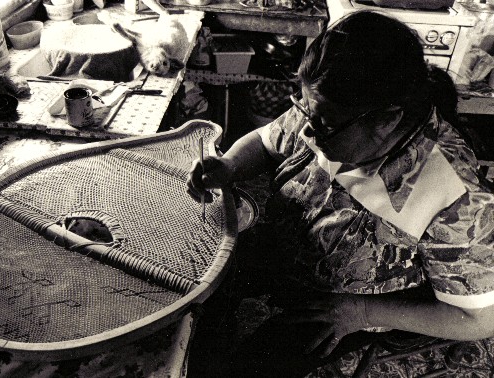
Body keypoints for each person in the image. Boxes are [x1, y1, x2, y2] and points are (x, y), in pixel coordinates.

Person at [186, 10, 494, 377]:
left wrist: (359, 312)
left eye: (324, 123)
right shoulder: (327, 110)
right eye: (305, 110)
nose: (309, 131)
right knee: (193, 302)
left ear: (387, 120)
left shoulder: (455, 195)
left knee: (241, 369)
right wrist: (231, 166)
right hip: (287, 257)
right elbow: (267, 142)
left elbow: (477, 318)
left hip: (345, 311)